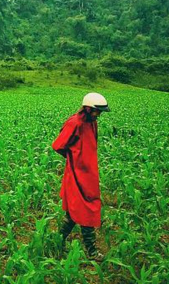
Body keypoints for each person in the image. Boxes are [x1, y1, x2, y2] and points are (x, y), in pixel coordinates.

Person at [51, 92, 110, 261]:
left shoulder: (92, 123)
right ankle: (91, 251)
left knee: (74, 212)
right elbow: (58, 145)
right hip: (77, 175)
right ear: (87, 108)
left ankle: (58, 240)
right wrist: (73, 159)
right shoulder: (74, 123)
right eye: (97, 111)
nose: (99, 115)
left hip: (89, 174)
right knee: (86, 209)